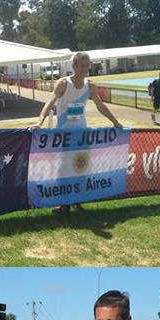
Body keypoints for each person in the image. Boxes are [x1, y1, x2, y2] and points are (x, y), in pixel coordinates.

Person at [30, 51, 123, 213]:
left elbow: (100, 106)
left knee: (81, 166)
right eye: (81, 66)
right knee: (64, 168)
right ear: (74, 66)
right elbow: (50, 102)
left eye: (87, 66)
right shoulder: (63, 83)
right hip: (64, 134)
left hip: (82, 134)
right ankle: (63, 203)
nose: (84, 69)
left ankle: (78, 201)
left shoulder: (90, 85)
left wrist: (115, 122)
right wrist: (40, 121)